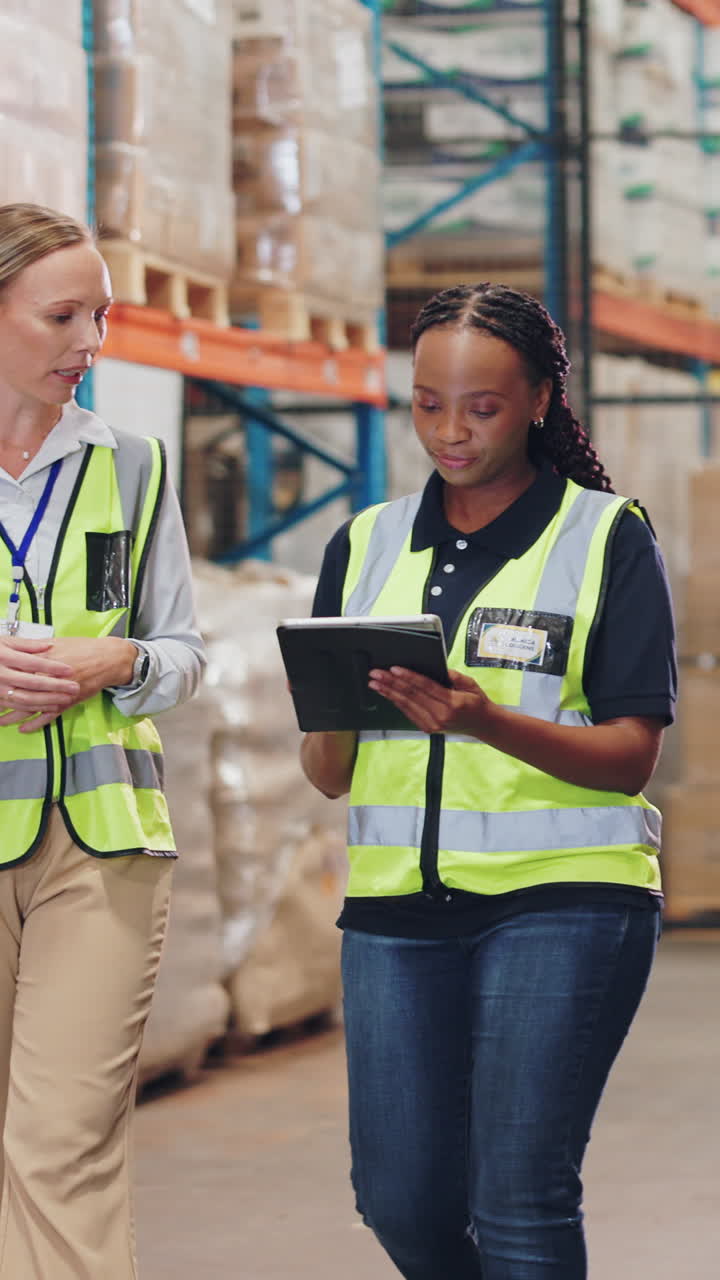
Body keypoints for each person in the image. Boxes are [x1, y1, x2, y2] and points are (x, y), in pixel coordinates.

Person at [301, 282, 676, 1280]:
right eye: (428, 403)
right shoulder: (367, 543)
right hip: (394, 915)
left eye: (483, 405)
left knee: (518, 1198)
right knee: (400, 1201)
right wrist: (336, 708)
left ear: (543, 399)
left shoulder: (606, 538)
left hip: (565, 902)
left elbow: (634, 751)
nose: (451, 430)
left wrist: (484, 717)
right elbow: (329, 774)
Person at [0, 202, 205, 1279]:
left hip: (105, 846)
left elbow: (183, 651)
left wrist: (115, 661)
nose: (90, 344)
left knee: (61, 1144)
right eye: (62, 315)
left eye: (103, 316)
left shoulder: (132, 463)